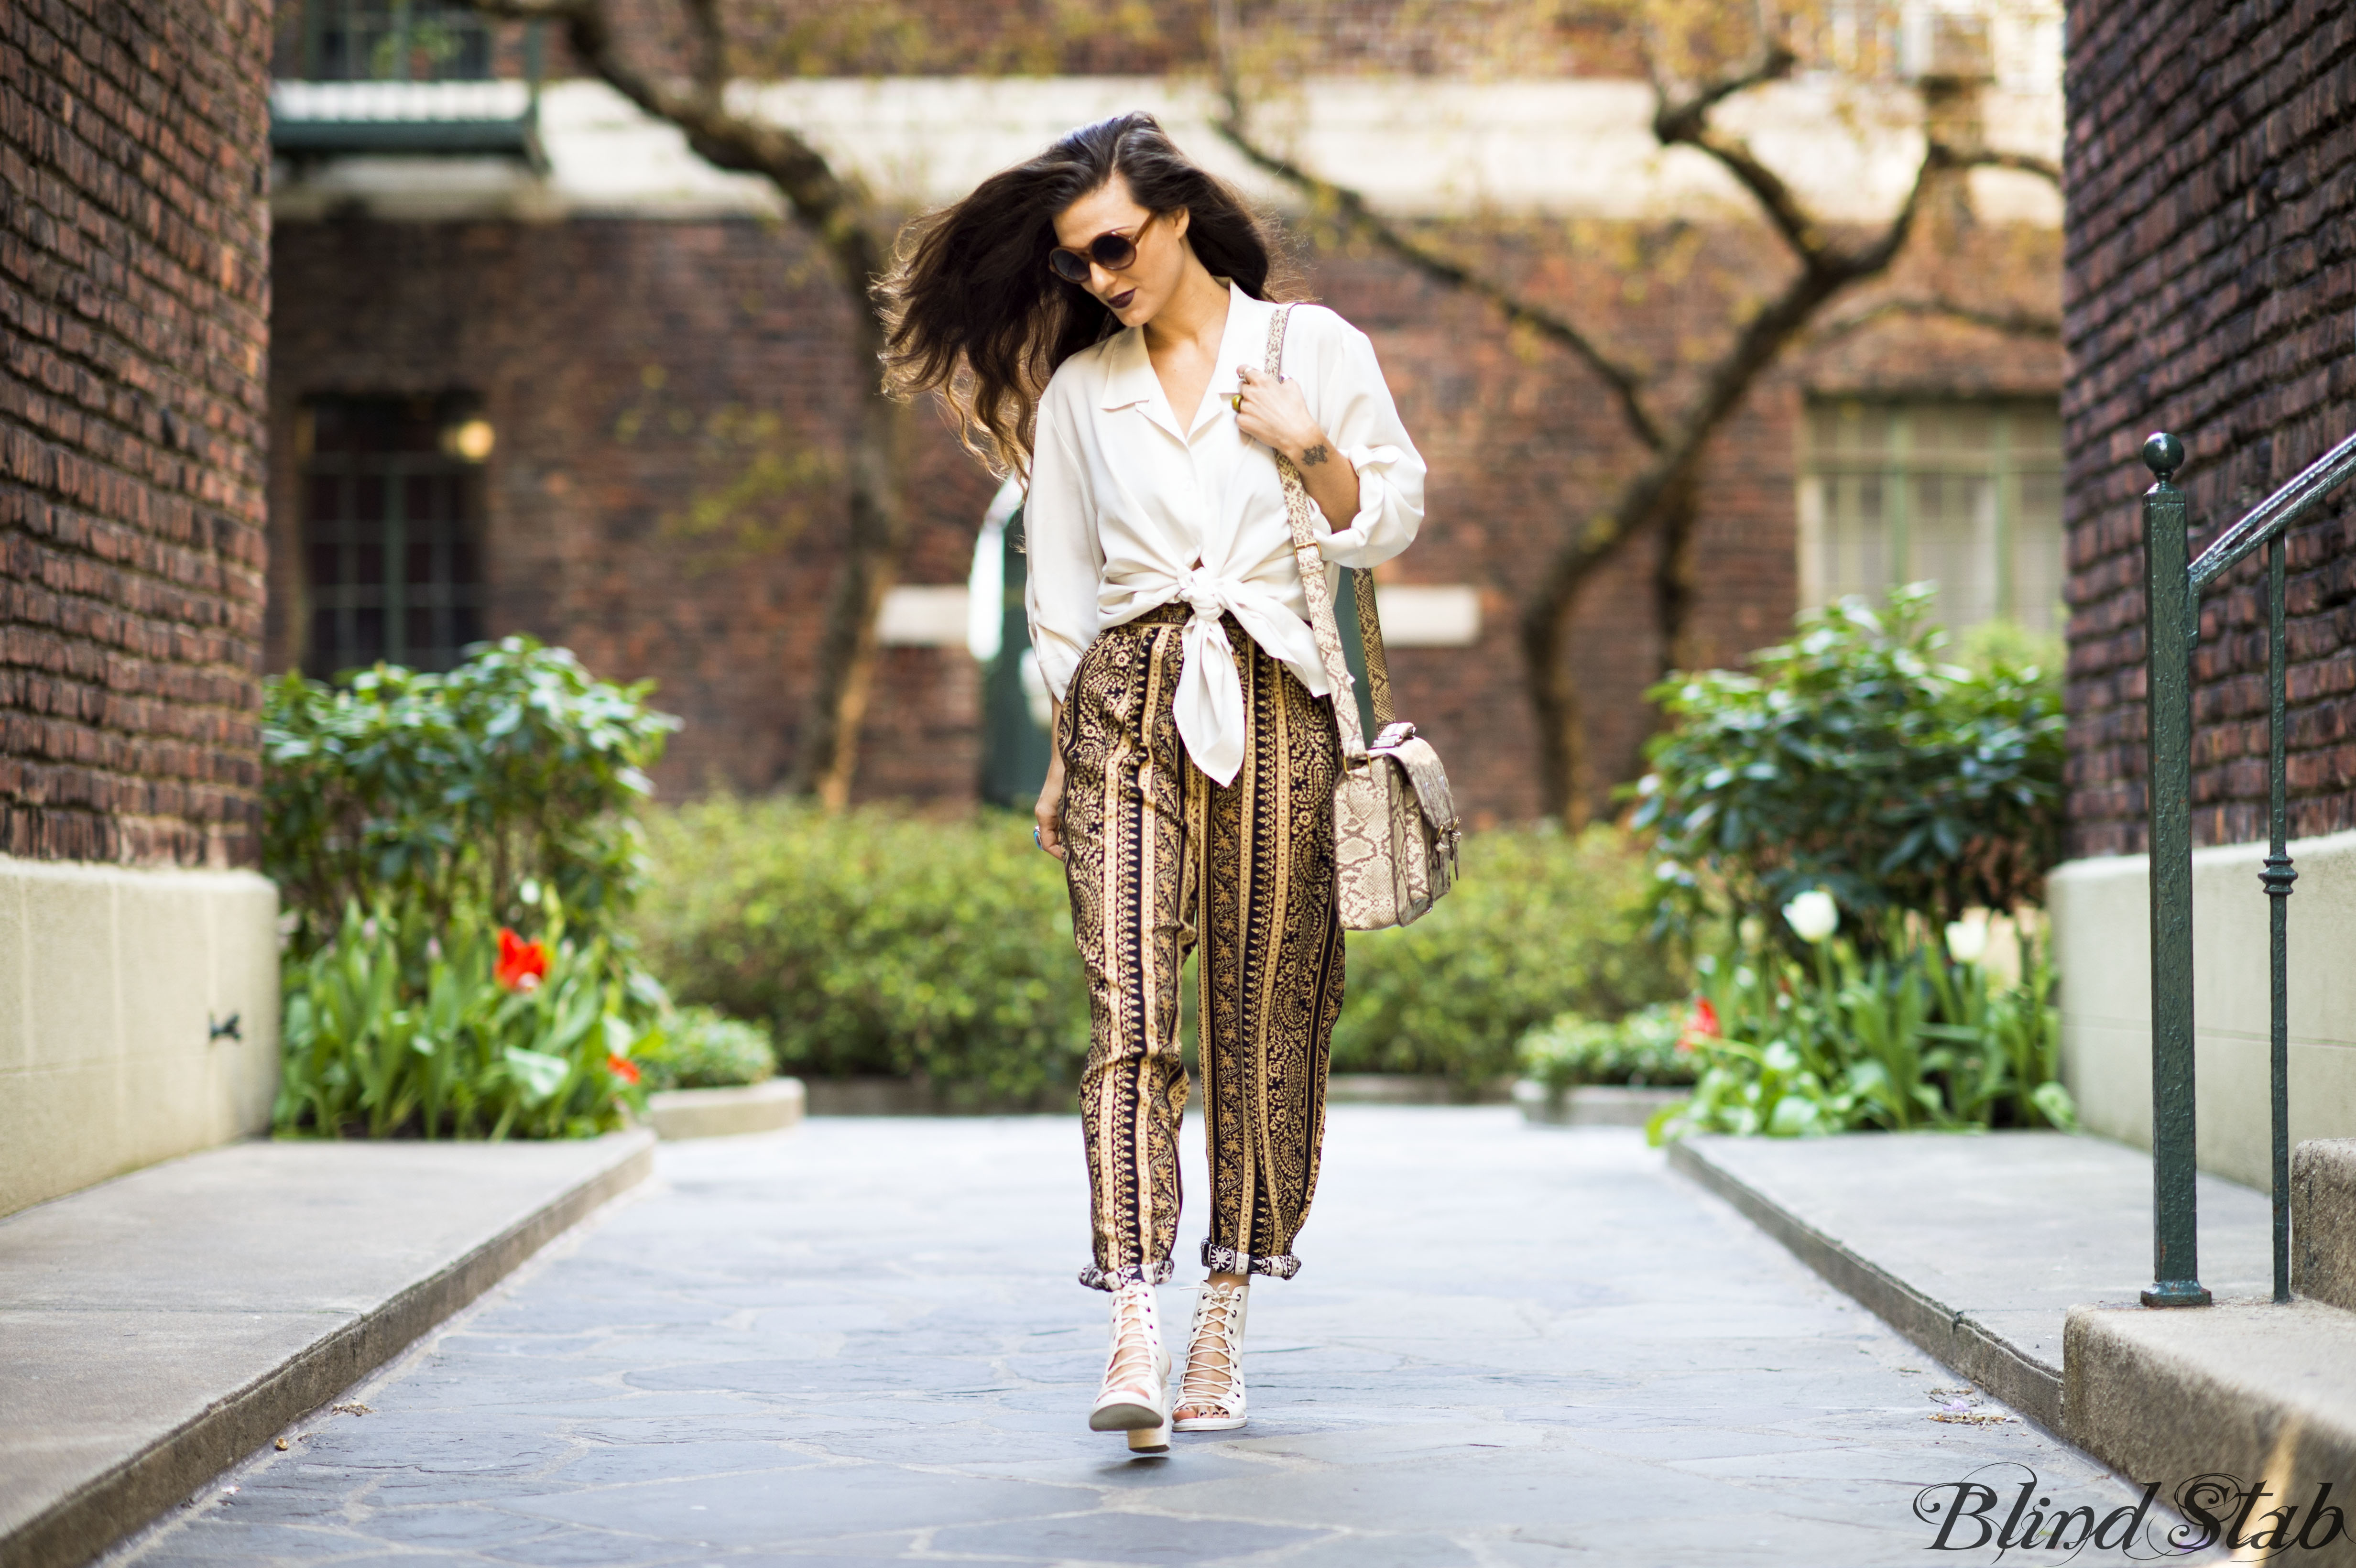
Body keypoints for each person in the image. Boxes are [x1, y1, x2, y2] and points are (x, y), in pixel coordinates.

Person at [879, 111, 1425, 1454]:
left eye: (1115, 247)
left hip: (1282, 700)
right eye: (1077, 265)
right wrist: (1066, 755)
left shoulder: (1316, 352)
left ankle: (1225, 1313)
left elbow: (1389, 517)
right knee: (1129, 1011)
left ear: (1176, 217)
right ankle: (1132, 1309)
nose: (1101, 279)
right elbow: (1059, 599)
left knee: (1265, 1013)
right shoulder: (1083, 396)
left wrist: (1303, 442)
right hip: (1127, 706)